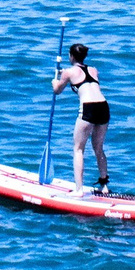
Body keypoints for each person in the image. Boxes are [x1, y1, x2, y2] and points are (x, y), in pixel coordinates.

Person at [52, 43, 115, 193]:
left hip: (88, 107)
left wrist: (55, 81)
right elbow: (81, 76)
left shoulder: (68, 72)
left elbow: (57, 90)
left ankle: (79, 190)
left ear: (71, 56)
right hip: (103, 106)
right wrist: (65, 73)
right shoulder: (94, 70)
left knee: (78, 149)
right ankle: (104, 186)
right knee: (98, 148)